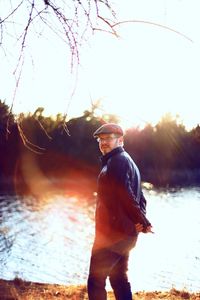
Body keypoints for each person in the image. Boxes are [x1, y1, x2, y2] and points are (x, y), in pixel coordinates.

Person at [87, 123, 153, 300]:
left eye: (108, 139)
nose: (103, 143)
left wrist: (143, 223)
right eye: (101, 140)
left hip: (112, 236)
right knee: (118, 279)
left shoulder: (117, 161)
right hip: (125, 234)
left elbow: (126, 194)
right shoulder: (125, 160)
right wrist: (139, 222)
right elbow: (141, 197)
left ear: (120, 140)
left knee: (95, 280)